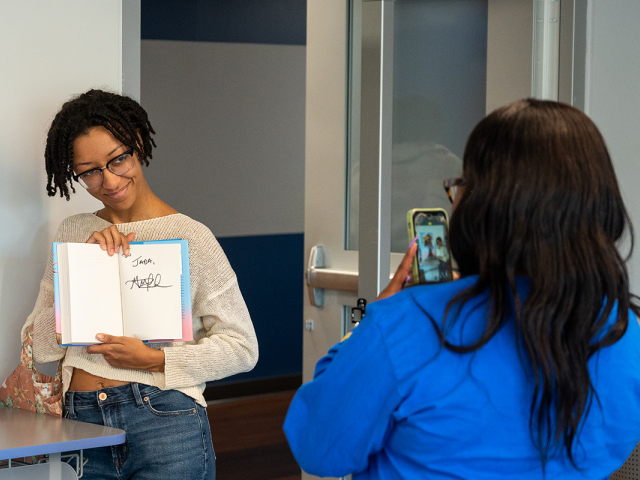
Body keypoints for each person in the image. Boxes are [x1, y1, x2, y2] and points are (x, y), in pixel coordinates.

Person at [283, 99, 640, 479]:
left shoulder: (405, 323)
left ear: (481, 204)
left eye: (459, 186)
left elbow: (318, 447)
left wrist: (367, 321)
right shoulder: (624, 331)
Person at [22, 89, 259, 480]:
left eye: (118, 159)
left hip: (164, 418)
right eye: (90, 171)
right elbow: (35, 346)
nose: (109, 180)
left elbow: (242, 348)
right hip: (79, 422)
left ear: (136, 141)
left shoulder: (191, 236)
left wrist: (155, 360)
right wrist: (82, 269)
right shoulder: (74, 231)